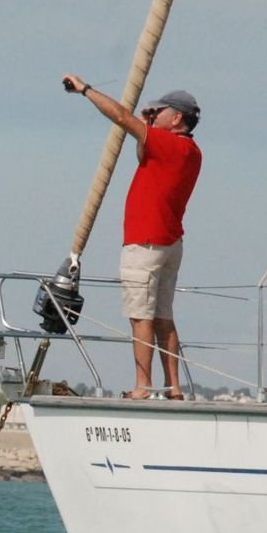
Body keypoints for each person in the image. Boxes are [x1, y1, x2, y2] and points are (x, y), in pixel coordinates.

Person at [61, 75, 202, 399]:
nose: (154, 115)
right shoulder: (189, 151)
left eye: (160, 111)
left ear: (176, 117)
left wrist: (85, 90)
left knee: (141, 316)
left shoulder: (167, 144)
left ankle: (143, 386)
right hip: (170, 243)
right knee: (164, 317)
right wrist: (146, 126)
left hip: (146, 243)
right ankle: (174, 388)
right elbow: (143, 157)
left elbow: (121, 118)